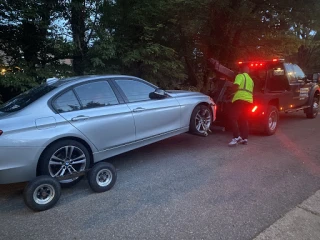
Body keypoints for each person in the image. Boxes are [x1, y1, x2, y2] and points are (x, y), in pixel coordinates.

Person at [228, 65, 254, 146]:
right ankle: (245, 138)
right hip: (249, 101)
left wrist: (230, 91)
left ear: (241, 70)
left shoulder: (240, 76)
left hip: (240, 99)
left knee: (233, 117)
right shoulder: (251, 80)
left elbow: (236, 86)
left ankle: (236, 137)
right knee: (244, 119)